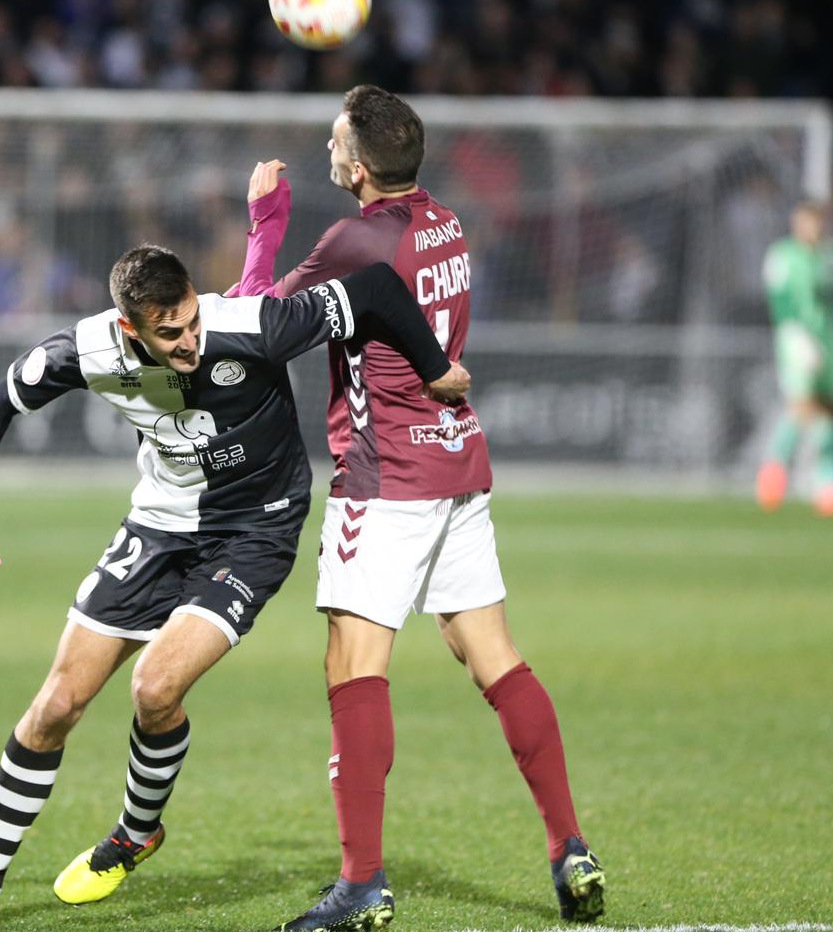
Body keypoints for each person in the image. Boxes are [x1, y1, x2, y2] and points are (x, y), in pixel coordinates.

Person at [0, 241, 471, 931]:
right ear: (129, 330)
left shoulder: (251, 325)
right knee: (56, 704)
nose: (189, 342)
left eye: (191, 321)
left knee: (155, 685)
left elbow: (379, 286)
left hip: (254, 531)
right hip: (158, 524)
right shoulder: (87, 350)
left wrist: (436, 370)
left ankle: (134, 833)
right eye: (168, 333)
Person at [228, 85, 604, 929]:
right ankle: (569, 845)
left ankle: (361, 884)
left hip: (384, 474)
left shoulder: (352, 238)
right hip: (457, 461)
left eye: (334, 139)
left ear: (357, 166)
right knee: (496, 659)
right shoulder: (447, 222)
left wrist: (264, 224)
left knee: (353, 668)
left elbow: (257, 322)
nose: (327, 147)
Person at [755, 201, 833, 516]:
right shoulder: (782, 255)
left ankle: (823, 482)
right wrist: (795, 337)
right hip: (797, 342)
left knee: (830, 409)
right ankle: (780, 471)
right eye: (806, 222)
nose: (812, 228)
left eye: (818, 222)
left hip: (832, 342)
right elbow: (780, 301)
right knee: (803, 406)